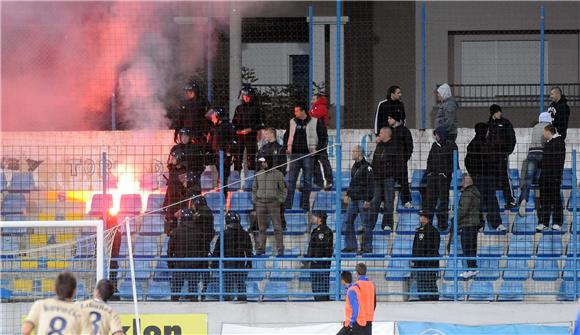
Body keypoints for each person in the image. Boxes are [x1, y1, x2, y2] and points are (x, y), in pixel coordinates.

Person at [283, 103, 328, 211]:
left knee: (307, 180)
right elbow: (287, 135)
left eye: (297, 111)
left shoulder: (315, 122)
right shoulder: (292, 122)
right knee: (291, 180)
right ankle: (288, 203)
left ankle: (305, 203)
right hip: (294, 155)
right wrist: (286, 146)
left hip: (309, 154)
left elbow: (323, 136)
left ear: (303, 111)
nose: (295, 113)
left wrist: (317, 150)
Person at [162, 128, 205, 233]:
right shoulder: (175, 148)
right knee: (171, 214)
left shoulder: (195, 149)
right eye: (182, 136)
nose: (184, 138)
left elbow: (200, 167)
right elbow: (169, 164)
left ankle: (187, 235)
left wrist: (189, 174)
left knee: (187, 212)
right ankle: (172, 236)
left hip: (188, 187)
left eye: (186, 136)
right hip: (174, 187)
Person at [465, 123, 505, 231]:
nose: (488, 132)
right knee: (481, 201)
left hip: (488, 177)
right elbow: (468, 162)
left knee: (490, 200)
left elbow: (495, 161)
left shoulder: (488, 144)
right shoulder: (475, 145)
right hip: (480, 177)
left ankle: (495, 223)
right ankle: (482, 224)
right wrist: (474, 173)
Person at [22, 272, 91, 335]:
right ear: (75, 290)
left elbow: (26, 330)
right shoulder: (82, 313)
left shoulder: (40, 305)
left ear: (54, 288)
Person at [167, 208, 212, 301]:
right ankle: (194, 304)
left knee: (176, 287)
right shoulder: (199, 232)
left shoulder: (175, 232)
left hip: (179, 264)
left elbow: (170, 250)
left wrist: (170, 263)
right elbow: (204, 249)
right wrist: (202, 263)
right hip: (194, 264)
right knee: (193, 287)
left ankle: (173, 306)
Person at [213, 211, 253, 302]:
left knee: (228, 283)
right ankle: (242, 299)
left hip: (228, 263)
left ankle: (227, 300)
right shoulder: (244, 234)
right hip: (240, 262)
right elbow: (249, 250)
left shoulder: (223, 234)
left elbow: (217, 250)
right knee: (240, 283)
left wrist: (215, 262)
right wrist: (249, 263)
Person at [423, 127, 457, 231]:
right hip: (432, 178)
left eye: (437, 134)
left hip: (443, 179)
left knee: (443, 201)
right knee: (430, 201)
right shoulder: (434, 146)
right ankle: (427, 224)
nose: (435, 137)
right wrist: (429, 173)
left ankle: (442, 225)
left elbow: (453, 162)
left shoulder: (451, 146)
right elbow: (429, 160)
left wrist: (445, 174)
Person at [518, 112, 552, 216]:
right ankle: (543, 203)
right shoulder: (549, 127)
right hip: (542, 153)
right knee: (543, 179)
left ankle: (523, 200)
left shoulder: (536, 127)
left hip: (532, 153)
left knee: (528, 178)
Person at [252, 156, 287, 256]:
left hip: (273, 203)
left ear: (269, 162)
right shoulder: (258, 174)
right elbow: (254, 188)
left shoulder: (278, 174)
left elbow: (283, 189)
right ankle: (261, 248)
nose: (262, 164)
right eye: (262, 162)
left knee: (277, 227)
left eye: (264, 162)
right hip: (261, 203)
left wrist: (280, 200)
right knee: (261, 228)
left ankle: (280, 249)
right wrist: (255, 201)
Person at [343, 145, 374, 253]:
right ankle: (351, 246)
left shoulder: (367, 167)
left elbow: (371, 184)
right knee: (347, 221)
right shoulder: (354, 166)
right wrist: (347, 194)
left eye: (353, 151)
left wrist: (368, 199)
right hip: (354, 199)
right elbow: (352, 183)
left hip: (362, 199)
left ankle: (366, 247)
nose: (352, 153)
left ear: (359, 153)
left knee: (366, 223)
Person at [257, 128, 288, 229]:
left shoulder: (280, 149)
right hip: (264, 181)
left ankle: (281, 224)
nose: (265, 136)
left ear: (271, 134)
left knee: (279, 203)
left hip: (276, 180)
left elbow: (283, 166)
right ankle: (263, 224)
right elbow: (259, 162)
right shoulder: (263, 148)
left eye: (266, 134)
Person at [487, 104, 517, 209]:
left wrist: (507, 151)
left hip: (502, 155)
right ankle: (491, 202)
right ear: (493, 113)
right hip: (491, 156)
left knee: (504, 176)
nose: (500, 113)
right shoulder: (488, 125)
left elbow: (512, 138)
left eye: (500, 111)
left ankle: (511, 199)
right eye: (497, 112)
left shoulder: (506, 123)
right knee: (491, 178)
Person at [537, 124, 566, 232]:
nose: (543, 134)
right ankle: (544, 222)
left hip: (553, 177)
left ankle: (557, 222)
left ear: (548, 132)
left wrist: (556, 176)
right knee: (544, 201)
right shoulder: (548, 144)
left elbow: (558, 162)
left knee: (555, 200)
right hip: (545, 177)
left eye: (544, 132)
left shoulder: (559, 142)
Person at [206, 107, 237, 197]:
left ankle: (224, 195)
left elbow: (232, 140)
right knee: (219, 173)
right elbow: (210, 140)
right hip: (216, 153)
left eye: (213, 115)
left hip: (224, 154)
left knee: (224, 175)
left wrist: (229, 153)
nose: (212, 117)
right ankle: (220, 191)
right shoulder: (214, 127)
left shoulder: (227, 126)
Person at [233, 85, 263, 172]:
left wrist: (250, 129)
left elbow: (261, 123)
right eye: (244, 96)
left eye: (248, 96)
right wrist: (237, 130)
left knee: (251, 158)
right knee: (237, 157)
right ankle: (236, 178)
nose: (246, 98)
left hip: (251, 136)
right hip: (239, 137)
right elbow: (234, 122)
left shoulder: (257, 108)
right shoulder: (239, 108)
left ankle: (251, 178)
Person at [371, 126, 396, 231]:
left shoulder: (394, 146)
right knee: (375, 201)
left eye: (380, 133)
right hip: (377, 179)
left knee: (389, 202)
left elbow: (397, 163)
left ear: (386, 134)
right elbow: (375, 161)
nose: (379, 135)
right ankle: (370, 225)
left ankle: (387, 224)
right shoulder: (379, 146)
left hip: (388, 178)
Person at [192, 195, 216, 299]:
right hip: (204, 244)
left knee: (198, 267)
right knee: (204, 267)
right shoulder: (207, 212)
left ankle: (199, 290)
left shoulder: (202, 213)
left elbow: (194, 225)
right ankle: (203, 289)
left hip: (199, 245)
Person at [411, 212, 440, 301]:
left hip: (427, 263)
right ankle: (427, 298)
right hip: (423, 263)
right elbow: (415, 247)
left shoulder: (432, 231)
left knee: (428, 281)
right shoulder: (420, 230)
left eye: (422, 215)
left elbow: (434, 247)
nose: (420, 217)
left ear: (427, 218)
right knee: (424, 282)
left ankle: (430, 299)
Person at [306, 211, 334, 301]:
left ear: (320, 219)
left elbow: (321, 246)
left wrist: (315, 258)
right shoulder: (320, 230)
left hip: (319, 262)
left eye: (315, 216)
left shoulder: (322, 231)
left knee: (320, 283)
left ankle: (321, 300)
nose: (313, 218)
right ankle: (320, 299)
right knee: (318, 283)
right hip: (319, 262)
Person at [388, 109, 413, 208]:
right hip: (390, 164)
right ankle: (385, 201)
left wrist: (404, 158)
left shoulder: (404, 131)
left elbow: (409, 147)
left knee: (404, 181)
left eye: (390, 118)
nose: (388, 120)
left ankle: (406, 200)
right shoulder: (389, 131)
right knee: (387, 183)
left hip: (400, 163)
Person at [457, 175, 481, 279]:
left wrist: (455, 218)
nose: (461, 181)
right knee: (471, 246)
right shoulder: (474, 192)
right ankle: (472, 267)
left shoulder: (467, 194)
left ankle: (472, 268)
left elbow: (463, 210)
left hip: (467, 224)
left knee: (467, 247)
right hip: (473, 223)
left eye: (463, 180)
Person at [309, 94, 333, 190]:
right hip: (315, 136)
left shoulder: (321, 107)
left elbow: (316, 116)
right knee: (314, 159)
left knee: (322, 158)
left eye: (313, 99)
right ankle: (318, 181)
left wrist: (306, 114)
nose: (311, 101)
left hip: (321, 136)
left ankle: (328, 180)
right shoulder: (314, 108)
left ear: (318, 100)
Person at [337, 271, 365, 335]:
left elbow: (355, 309)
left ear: (343, 280)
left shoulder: (351, 291)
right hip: (354, 323)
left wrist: (351, 323)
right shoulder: (355, 288)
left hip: (353, 324)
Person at [353, 263, 376, 335]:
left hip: (359, 319)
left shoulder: (356, 285)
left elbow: (354, 303)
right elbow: (374, 302)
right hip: (369, 317)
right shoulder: (372, 285)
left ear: (357, 273)